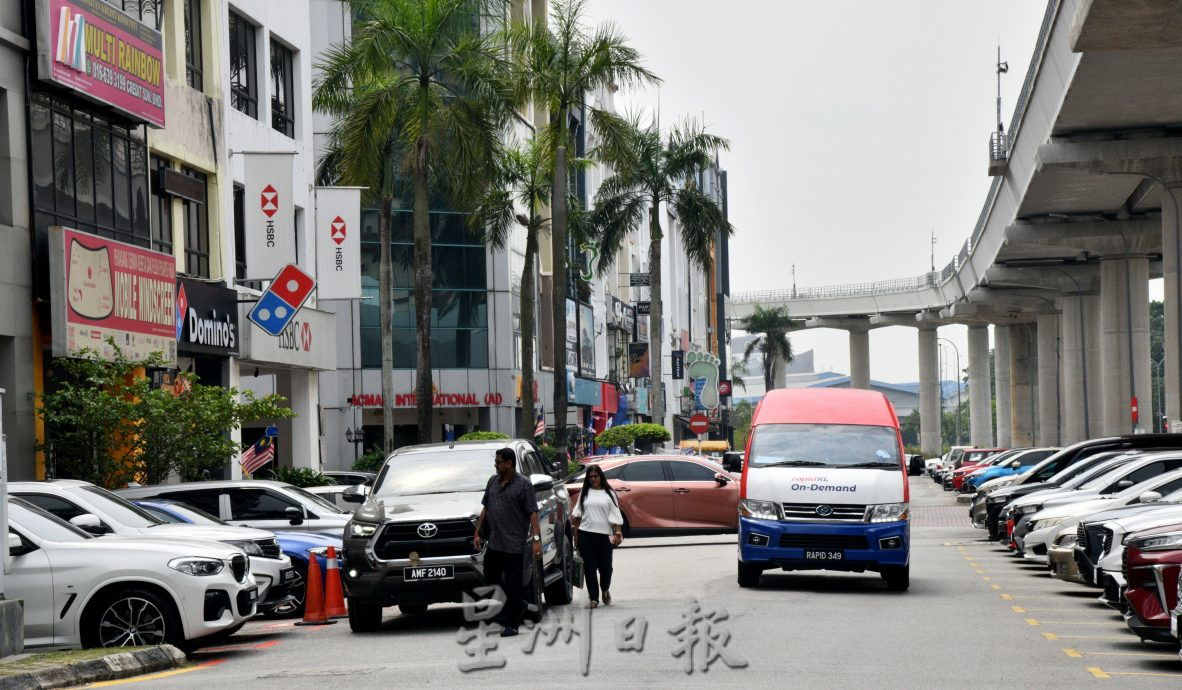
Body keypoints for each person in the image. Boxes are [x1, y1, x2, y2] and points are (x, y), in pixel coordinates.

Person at [473, 447, 542, 637]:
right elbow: (486, 508)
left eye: (498, 462)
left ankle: (512, 624)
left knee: (513, 586)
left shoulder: (524, 485)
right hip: (495, 542)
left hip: (514, 545)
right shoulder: (493, 481)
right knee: (490, 580)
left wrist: (536, 540)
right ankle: (519, 604)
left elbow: (533, 513)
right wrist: (477, 532)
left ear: (509, 463)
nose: (495, 465)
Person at [571, 464, 623, 608]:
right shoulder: (585, 493)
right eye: (590, 477)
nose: (593, 479)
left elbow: (615, 514)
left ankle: (605, 589)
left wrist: (618, 532)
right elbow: (578, 514)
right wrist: (576, 533)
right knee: (590, 568)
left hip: (604, 536)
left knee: (606, 568)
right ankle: (594, 598)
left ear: (601, 476)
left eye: (596, 476)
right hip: (585, 535)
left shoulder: (609, 493)